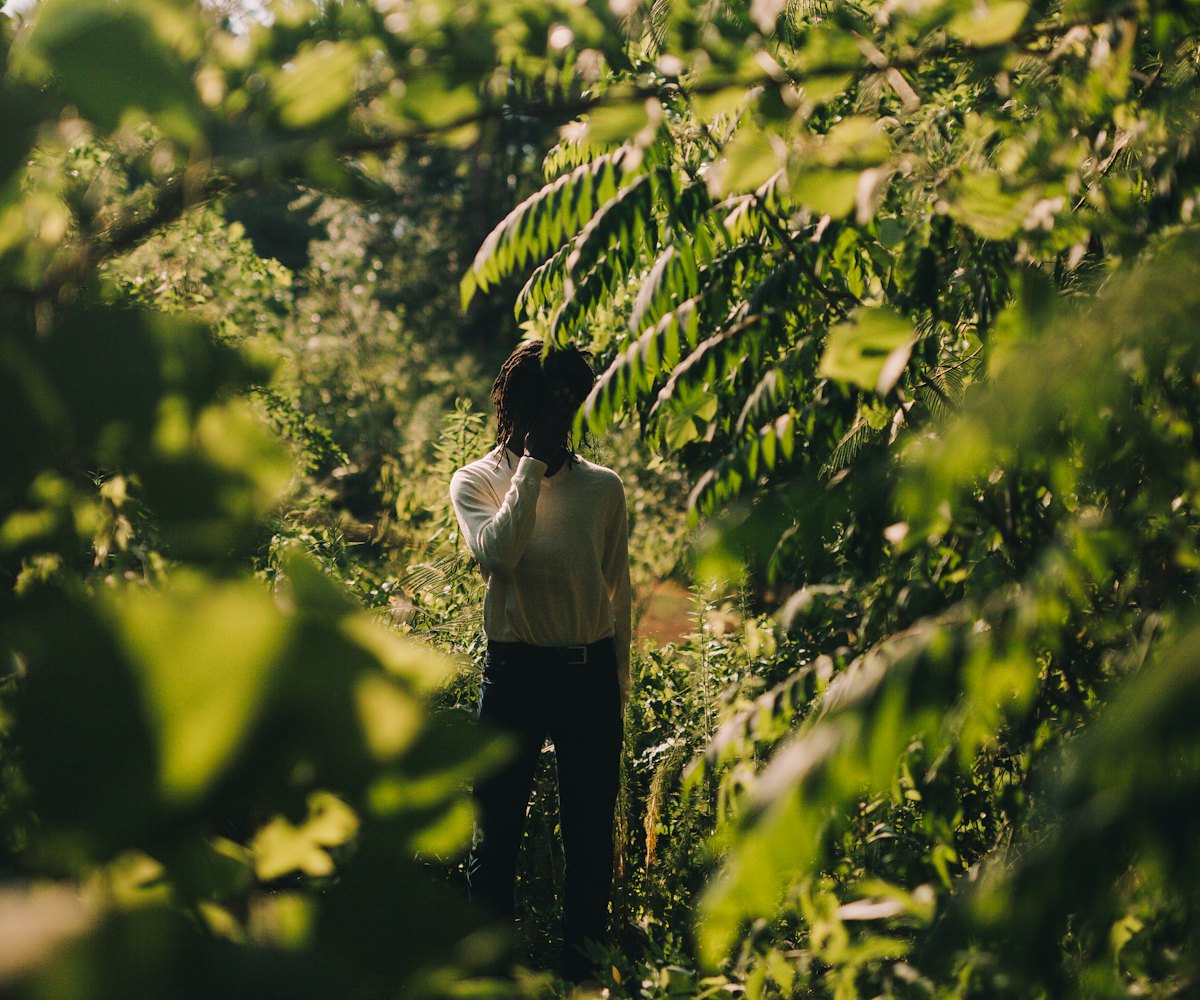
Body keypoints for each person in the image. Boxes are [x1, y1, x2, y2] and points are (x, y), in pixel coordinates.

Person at [448, 339, 631, 984]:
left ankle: (582, 979)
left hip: (588, 677)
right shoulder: (476, 480)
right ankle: (489, 978)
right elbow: (498, 554)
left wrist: (620, 687)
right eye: (542, 406)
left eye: (566, 406)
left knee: (589, 843)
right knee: (494, 839)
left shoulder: (603, 488)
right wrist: (529, 465)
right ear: (513, 406)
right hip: (516, 673)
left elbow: (618, 594)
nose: (556, 420)